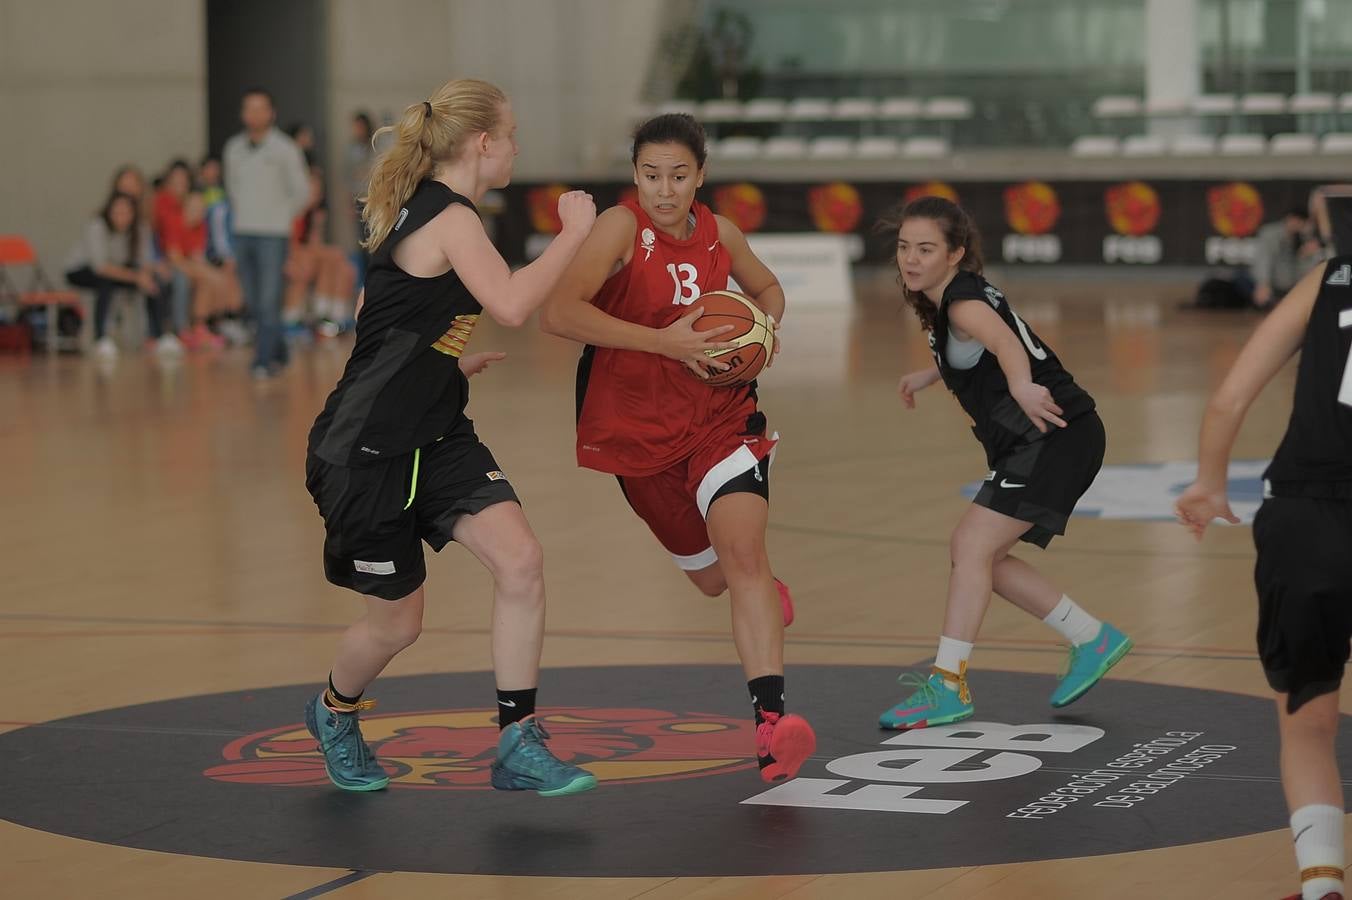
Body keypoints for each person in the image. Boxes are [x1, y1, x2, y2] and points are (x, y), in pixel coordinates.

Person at [305, 78, 599, 796]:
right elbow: (510, 303)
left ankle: (517, 741)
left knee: (521, 560)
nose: (517, 147)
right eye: (513, 135)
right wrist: (575, 234)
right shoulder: (452, 217)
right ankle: (333, 712)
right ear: (482, 144)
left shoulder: (428, 214)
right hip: (365, 453)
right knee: (398, 626)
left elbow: (371, 310)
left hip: (435, 431)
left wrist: (438, 357)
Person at [539, 113, 816, 784]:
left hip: (722, 419)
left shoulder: (720, 232)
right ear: (635, 175)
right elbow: (559, 313)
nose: (664, 190)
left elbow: (769, 289)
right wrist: (665, 341)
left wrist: (761, 333)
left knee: (744, 556)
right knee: (711, 578)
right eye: (651, 175)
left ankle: (772, 727)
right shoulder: (619, 227)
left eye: (679, 175)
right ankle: (757, 589)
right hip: (638, 431)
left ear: (702, 176)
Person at [876, 195, 1131, 731]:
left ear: (956, 253)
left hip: (1052, 437)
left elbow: (1005, 341)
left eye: (925, 249)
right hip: (1056, 437)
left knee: (970, 546)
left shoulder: (964, 304)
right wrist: (931, 374)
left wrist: (1021, 384)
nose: (911, 259)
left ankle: (947, 685)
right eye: (904, 247)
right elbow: (975, 351)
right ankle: (1091, 637)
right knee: (981, 557)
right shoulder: (956, 296)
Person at [1175, 258, 1352, 900]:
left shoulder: (1331, 276)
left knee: (1307, 722)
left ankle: (1322, 883)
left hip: (1305, 518)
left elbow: (1229, 396)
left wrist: (1208, 482)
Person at [223, 87, 310, 379]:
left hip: (273, 233)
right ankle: (279, 349)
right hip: (243, 230)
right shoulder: (233, 148)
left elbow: (302, 191)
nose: (254, 114)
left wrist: (282, 218)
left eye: (260, 108)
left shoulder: (285, 149)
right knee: (251, 296)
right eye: (249, 108)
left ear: (271, 113)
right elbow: (233, 188)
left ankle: (262, 360)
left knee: (269, 297)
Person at [64, 191, 172, 359]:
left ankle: (159, 336)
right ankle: (101, 338)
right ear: (109, 211)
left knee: (153, 282)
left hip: (119, 270)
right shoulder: (97, 226)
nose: (122, 217)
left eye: (126, 213)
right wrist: (137, 277)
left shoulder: (139, 230)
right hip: (82, 270)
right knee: (105, 283)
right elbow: (100, 267)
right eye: (117, 212)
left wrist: (150, 272)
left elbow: (143, 261)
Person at [1249, 207, 1323, 310]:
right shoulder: (1270, 233)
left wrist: (1306, 255)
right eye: (1299, 222)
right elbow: (1263, 260)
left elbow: (1306, 268)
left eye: (1303, 224)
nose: (1300, 226)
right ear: (1291, 218)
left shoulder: (1303, 237)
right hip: (1272, 286)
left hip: (1293, 287)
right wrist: (1263, 284)